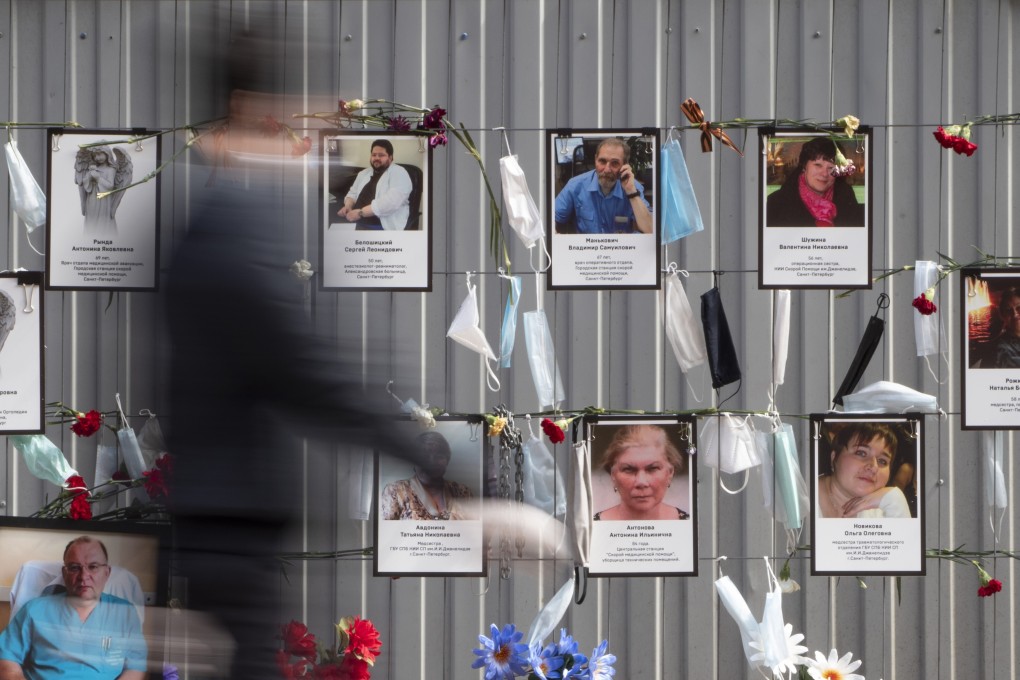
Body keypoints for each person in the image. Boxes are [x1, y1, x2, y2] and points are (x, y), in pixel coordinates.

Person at [0, 536, 147, 679]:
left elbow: (135, 667)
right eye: (75, 568)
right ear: (64, 573)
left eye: (93, 567)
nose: (83, 576)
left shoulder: (125, 613)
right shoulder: (34, 610)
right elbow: (6, 659)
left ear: (106, 573)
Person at [554, 138, 653, 234]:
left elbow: (650, 229)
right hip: (585, 249)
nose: (607, 170)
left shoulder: (633, 187)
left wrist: (631, 192)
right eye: (602, 161)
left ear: (624, 165)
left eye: (615, 163)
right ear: (595, 160)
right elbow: (549, 219)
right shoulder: (575, 186)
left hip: (621, 250)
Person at [593, 425, 689, 521]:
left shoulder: (688, 525)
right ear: (613, 475)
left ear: (670, 473)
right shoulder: (593, 527)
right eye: (628, 469)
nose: (641, 482)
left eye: (652, 468)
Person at [816, 423, 911, 519]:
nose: (874, 467)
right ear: (834, 458)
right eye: (861, 453)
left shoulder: (885, 509)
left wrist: (896, 501)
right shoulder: (804, 498)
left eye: (882, 461)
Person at [766, 137, 864, 227]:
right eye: (818, 165)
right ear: (804, 166)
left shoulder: (847, 200)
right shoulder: (776, 204)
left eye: (831, 168)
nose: (824, 174)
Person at [380, 431, 473, 520]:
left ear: (447, 460)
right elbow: (386, 533)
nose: (431, 462)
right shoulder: (395, 491)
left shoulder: (463, 492)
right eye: (424, 456)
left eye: (439, 456)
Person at [336, 139, 412, 230]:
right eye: (374, 155)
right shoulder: (364, 173)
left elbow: (391, 202)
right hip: (354, 218)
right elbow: (353, 193)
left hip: (379, 223)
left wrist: (361, 213)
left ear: (390, 157)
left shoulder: (399, 172)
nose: (376, 158)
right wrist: (348, 206)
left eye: (381, 155)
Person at [74, 146, 131, 235]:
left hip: (104, 200)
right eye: (95, 155)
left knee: (103, 220)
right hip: (92, 198)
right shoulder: (93, 168)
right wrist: (89, 176)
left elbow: (110, 186)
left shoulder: (111, 169)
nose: (97, 158)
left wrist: (98, 178)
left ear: (107, 154)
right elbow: (86, 185)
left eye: (100, 154)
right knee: (91, 220)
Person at [981, 287, 1020, 368]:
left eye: (1019, 308)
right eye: (1008, 310)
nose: (1015, 314)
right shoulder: (998, 351)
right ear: (1003, 316)